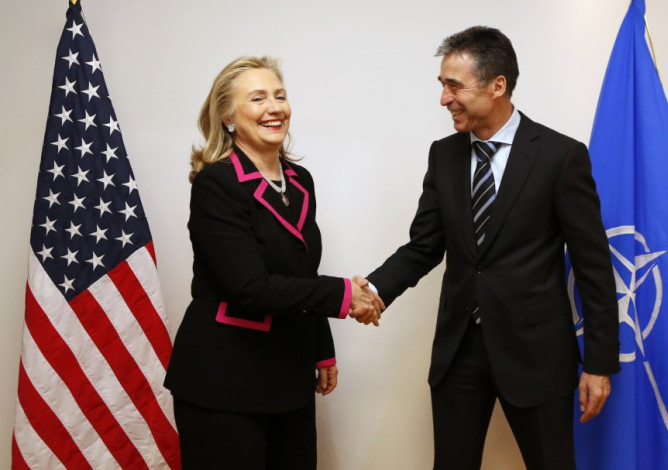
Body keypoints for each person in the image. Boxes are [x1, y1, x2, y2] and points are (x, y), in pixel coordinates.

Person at [361, 27, 620, 469]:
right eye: (442, 85)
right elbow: (424, 247)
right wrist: (372, 290)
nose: (444, 99)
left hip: (538, 356)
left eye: (454, 85)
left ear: (498, 85)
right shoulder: (443, 156)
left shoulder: (560, 156)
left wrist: (599, 363)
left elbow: (593, 265)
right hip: (459, 353)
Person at [164, 56, 381, 469]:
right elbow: (249, 287)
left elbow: (301, 272)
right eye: (258, 98)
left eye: (280, 96)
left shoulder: (300, 181)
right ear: (228, 116)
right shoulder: (217, 183)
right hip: (225, 383)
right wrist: (344, 294)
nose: (274, 107)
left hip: (289, 375)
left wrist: (321, 349)